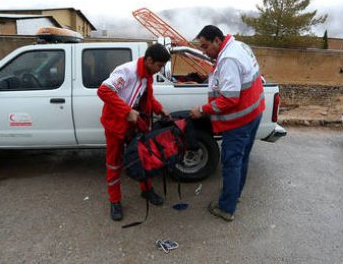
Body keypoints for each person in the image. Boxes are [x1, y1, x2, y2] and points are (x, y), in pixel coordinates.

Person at [189, 25, 265, 222]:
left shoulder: (228, 59)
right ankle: (235, 194)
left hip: (238, 121)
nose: (204, 52)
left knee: (231, 163)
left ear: (216, 40)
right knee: (242, 158)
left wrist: (202, 110)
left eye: (206, 46)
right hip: (253, 113)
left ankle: (226, 208)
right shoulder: (239, 46)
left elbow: (229, 98)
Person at [97, 43, 171, 221]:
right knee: (113, 164)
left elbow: (148, 97)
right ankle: (115, 201)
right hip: (115, 126)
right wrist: (127, 111)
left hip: (135, 125)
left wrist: (160, 110)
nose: (159, 70)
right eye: (159, 66)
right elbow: (104, 91)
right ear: (149, 60)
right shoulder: (127, 71)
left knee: (143, 158)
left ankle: (146, 191)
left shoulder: (147, 75)